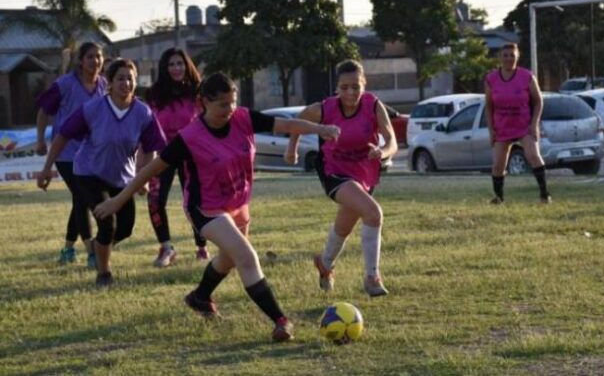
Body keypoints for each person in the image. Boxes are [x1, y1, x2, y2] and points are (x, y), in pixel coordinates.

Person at [93, 72, 340, 341]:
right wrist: (118, 199)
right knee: (246, 256)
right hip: (206, 209)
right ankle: (281, 320)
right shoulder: (190, 137)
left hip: (238, 204)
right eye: (223, 104)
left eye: (233, 101)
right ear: (204, 102)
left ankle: (200, 297)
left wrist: (321, 129)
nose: (230, 109)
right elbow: (151, 169)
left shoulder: (243, 118)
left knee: (228, 259)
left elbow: (287, 124)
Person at [37, 58, 166, 287]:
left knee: (125, 228)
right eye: (120, 78)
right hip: (89, 173)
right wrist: (47, 168)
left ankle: (99, 247)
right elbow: (63, 135)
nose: (126, 83)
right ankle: (104, 274)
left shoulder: (143, 113)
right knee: (107, 223)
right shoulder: (93, 108)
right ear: (110, 82)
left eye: (130, 79)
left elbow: (151, 148)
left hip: (122, 178)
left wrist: (143, 178)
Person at [285, 59, 398, 298]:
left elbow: (392, 141)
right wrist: (292, 149)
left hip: (365, 171)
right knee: (373, 213)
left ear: (364, 85)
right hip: (334, 169)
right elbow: (296, 122)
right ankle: (372, 277)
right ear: (337, 87)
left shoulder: (373, 105)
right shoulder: (325, 109)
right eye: (344, 87)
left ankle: (325, 263)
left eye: (356, 87)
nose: (350, 93)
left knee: (344, 226)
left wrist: (382, 152)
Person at [35, 42, 106, 267]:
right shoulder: (64, 84)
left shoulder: (104, 85)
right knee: (83, 196)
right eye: (90, 57)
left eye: (98, 56)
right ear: (80, 61)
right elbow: (44, 111)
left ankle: (67, 249)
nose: (95, 61)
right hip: (65, 152)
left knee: (80, 200)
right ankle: (92, 251)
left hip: (91, 154)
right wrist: (40, 139)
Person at [144, 48, 209, 267]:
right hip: (163, 154)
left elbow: (207, 121)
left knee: (195, 202)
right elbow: (148, 126)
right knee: (155, 200)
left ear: (187, 65)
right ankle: (166, 248)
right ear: (164, 68)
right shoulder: (154, 95)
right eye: (171, 64)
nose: (176, 68)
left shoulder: (198, 92)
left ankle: (202, 248)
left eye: (180, 63)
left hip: (191, 154)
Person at [484, 43, 551, 204]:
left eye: (512, 55)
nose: (509, 59)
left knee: (533, 156)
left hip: (523, 126)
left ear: (517, 57)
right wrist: (491, 130)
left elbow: (538, 101)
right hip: (502, 128)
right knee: (498, 165)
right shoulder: (491, 79)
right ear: (500, 57)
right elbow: (489, 106)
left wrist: (534, 124)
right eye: (505, 55)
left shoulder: (526, 76)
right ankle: (498, 198)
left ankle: (544, 195)